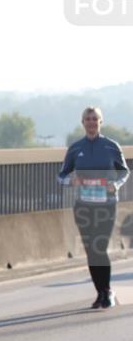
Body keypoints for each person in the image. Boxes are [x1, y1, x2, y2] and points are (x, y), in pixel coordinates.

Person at [57, 106, 129, 309]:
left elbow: (124, 172)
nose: (91, 122)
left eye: (94, 119)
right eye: (87, 119)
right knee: (90, 250)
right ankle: (100, 293)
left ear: (100, 122)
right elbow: (61, 175)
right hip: (83, 206)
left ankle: (107, 291)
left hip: (106, 205)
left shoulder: (111, 146)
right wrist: (71, 180)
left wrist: (114, 185)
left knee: (100, 248)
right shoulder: (75, 148)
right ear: (83, 123)